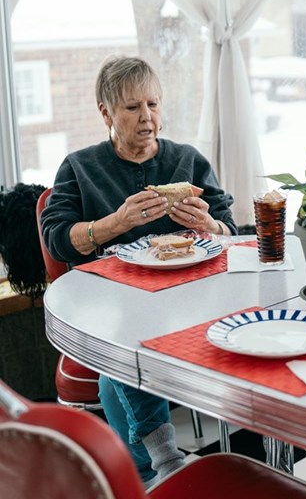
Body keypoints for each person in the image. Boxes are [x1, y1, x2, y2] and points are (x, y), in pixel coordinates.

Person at [41, 55, 238, 485]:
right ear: (106, 113)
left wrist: (210, 225)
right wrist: (116, 223)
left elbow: (231, 229)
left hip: (187, 298)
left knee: (119, 366)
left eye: (152, 104)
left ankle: (150, 476)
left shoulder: (187, 161)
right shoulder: (79, 167)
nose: (146, 117)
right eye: (132, 108)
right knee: (123, 352)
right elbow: (55, 237)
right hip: (110, 302)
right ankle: (165, 467)